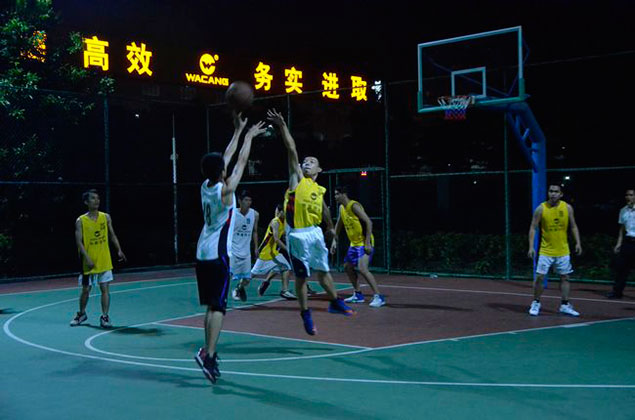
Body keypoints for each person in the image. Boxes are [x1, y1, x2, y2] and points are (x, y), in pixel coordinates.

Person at [267, 108, 354, 336]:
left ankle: (334, 302)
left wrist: (330, 229)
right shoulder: (296, 179)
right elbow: (291, 149)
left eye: (312, 161)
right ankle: (305, 312)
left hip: (315, 233)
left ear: (319, 169)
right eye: (305, 161)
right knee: (302, 275)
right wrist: (282, 126)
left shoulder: (319, 189)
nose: (306, 163)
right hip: (297, 234)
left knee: (324, 271)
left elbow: (324, 209)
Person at [194, 113, 266, 384]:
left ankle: (206, 350)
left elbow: (226, 157)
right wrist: (249, 137)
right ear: (221, 170)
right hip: (218, 255)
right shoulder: (225, 191)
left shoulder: (206, 185)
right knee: (219, 309)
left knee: (211, 306)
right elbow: (241, 162)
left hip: (202, 252)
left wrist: (237, 131)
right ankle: (210, 356)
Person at [70, 189, 126, 328]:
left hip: (104, 259)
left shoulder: (105, 217)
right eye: (93, 198)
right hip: (88, 262)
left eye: (98, 198)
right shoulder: (81, 221)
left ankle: (105, 317)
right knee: (86, 290)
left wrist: (119, 250)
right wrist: (87, 258)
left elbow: (112, 235)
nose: (97, 201)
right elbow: (79, 242)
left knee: (105, 289)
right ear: (86, 202)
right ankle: (81, 314)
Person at [527, 184, 582, 316]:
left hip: (563, 250)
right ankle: (536, 302)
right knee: (539, 277)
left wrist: (578, 243)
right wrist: (531, 246)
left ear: (561, 194)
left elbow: (573, 226)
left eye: (556, 192)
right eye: (551, 191)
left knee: (565, 277)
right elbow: (533, 227)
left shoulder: (567, 208)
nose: (553, 194)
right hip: (546, 251)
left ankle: (564, 304)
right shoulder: (541, 209)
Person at [331, 185, 386, 307]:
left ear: (344, 194)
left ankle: (379, 296)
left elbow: (368, 222)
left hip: (363, 242)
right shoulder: (341, 208)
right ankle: (358, 294)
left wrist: (367, 242)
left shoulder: (353, 206)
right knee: (347, 267)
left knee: (362, 269)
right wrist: (334, 240)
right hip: (354, 244)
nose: (335, 197)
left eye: (337, 194)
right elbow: (339, 224)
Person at [252, 204, 296, 300]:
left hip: (274, 251)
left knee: (285, 267)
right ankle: (239, 286)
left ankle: (284, 291)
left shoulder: (284, 222)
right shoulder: (275, 222)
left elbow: (284, 234)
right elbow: (276, 239)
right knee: (253, 273)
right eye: (285, 212)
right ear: (281, 212)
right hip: (266, 252)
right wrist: (287, 249)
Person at [230, 190, 259, 302]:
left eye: (250, 200)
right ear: (239, 201)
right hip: (233, 250)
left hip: (246, 252)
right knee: (228, 275)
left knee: (247, 279)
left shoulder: (255, 214)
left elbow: (255, 231)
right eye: (246, 200)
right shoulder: (232, 214)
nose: (248, 202)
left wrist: (256, 247)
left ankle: (238, 288)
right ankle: (220, 298)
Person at [607, 189, 635, 299]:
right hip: (628, 242)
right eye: (627, 195)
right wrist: (618, 244)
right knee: (621, 268)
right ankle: (617, 292)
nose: (628, 197)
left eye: (631, 195)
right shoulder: (623, 210)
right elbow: (622, 229)